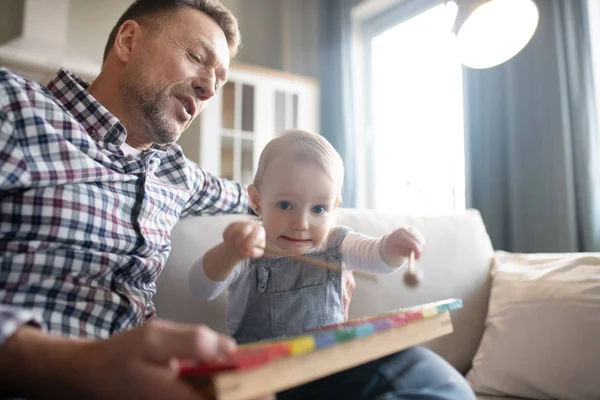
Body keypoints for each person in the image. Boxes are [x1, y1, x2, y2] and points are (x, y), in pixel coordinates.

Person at [0, 0, 476, 399]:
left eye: (219, 80)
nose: (208, 87)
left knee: (415, 373)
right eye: (195, 56)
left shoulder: (176, 173)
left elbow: (269, 197)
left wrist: (326, 237)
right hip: (42, 378)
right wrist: (79, 364)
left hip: (174, 384)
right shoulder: (14, 106)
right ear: (128, 42)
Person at [189, 129, 425, 343]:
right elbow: (200, 289)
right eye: (285, 205)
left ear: (334, 207)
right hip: (263, 374)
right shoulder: (248, 246)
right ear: (257, 201)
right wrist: (229, 252)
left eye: (318, 209)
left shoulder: (337, 244)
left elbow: (376, 257)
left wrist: (393, 247)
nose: (301, 224)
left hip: (326, 368)